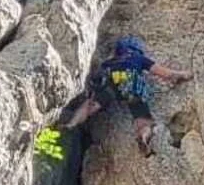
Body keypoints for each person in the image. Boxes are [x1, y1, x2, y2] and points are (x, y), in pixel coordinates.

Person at [62, 36, 193, 156]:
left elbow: (97, 78)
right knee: (144, 122)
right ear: (137, 49)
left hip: (111, 85)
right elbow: (167, 74)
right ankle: (143, 137)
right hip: (131, 87)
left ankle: (71, 124)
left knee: (90, 104)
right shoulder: (139, 58)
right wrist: (184, 74)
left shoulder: (109, 62)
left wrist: (93, 93)